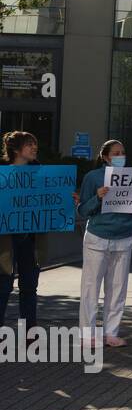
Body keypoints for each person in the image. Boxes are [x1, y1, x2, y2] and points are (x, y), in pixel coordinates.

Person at [76, 139, 132, 348]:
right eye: (115, 153)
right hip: (98, 237)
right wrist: (97, 197)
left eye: (123, 152)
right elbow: (83, 210)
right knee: (91, 288)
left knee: (118, 289)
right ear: (105, 157)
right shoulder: (93, 177)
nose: (120, 156)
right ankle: (88, 334)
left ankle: (112, 332)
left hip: (124, 236)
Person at [0, 130, 47, 328]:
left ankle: (30, 331)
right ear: (16, 149)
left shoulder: (42, 172)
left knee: (29, 287)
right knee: (3, 287)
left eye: (35, 144)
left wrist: (67, 199)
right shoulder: (2, 171)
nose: (34, 148)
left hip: (30, 238)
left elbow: (49, 200)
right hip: (5, 239)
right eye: (30, 144)